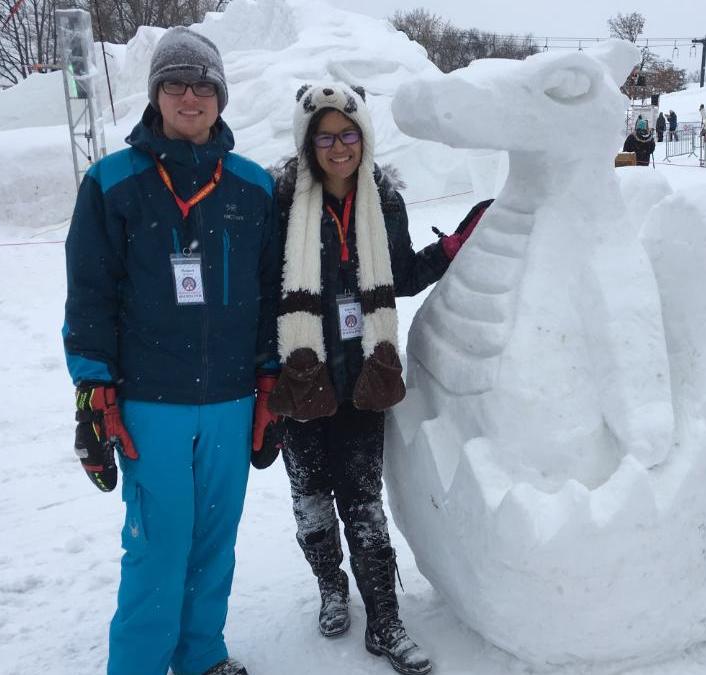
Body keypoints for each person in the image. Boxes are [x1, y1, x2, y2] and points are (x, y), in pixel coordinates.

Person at [62, 27, 280, 675]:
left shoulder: (252, 186)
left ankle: (201, 654)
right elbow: (90, 294)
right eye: (176, 84)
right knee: (158, 543)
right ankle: (138, 664)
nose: (191, 96)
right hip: (149, 399)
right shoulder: (111, 182)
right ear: (156, 94)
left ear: (221, 97)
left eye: (204, 85)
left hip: (233, 398)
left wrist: (270, 381)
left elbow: (269, 292)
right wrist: (93, 387)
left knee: (215, 538)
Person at [260, 83, 486, 675]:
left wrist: (455, 246)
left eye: (349, 132)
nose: (339, 147)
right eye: (326, 135)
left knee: (363, 502)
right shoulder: (280, 202)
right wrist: (264, 379)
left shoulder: (383, 201)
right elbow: (264, 292)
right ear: (308, 141)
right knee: (311, 499)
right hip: (301, 374)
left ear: (365, 136)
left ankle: (384, 619)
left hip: (365, 374)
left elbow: (402, 275)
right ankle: (331, 588)